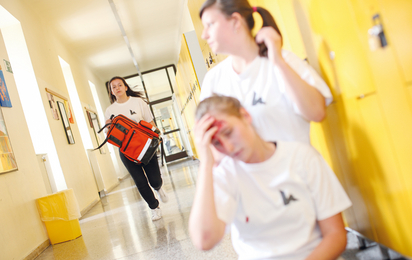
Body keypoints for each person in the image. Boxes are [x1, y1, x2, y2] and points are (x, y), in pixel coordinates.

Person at [189, 96, 352, 260]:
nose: (228, 147)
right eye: (216, 143)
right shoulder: (225, 175)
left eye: (228, 132)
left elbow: (336, 235)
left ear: (245, 116)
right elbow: (204, 241)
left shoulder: (302, 158)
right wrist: (206, 163)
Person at [199, 0, 332, 146]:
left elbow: (317, 113)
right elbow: (209, 141)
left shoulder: (283, 61)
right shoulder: (213, 80)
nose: (204, 35)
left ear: (236, 21)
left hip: (296, 167)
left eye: (210, 25)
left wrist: (278, 62)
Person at [104, 76, 168, 221]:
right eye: (113, 87)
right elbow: (109, 134)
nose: (117, 88)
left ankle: (158, 188)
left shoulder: (138, 102)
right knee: (140, 181)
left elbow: (149, 121)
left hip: (144, 145)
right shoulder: (110, 110)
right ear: (111, 92)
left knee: (155, 180)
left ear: (126, 87)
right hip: (126, 150)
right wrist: (108, 127)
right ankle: (154, 207)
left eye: (120, 85)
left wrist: (157, 136)